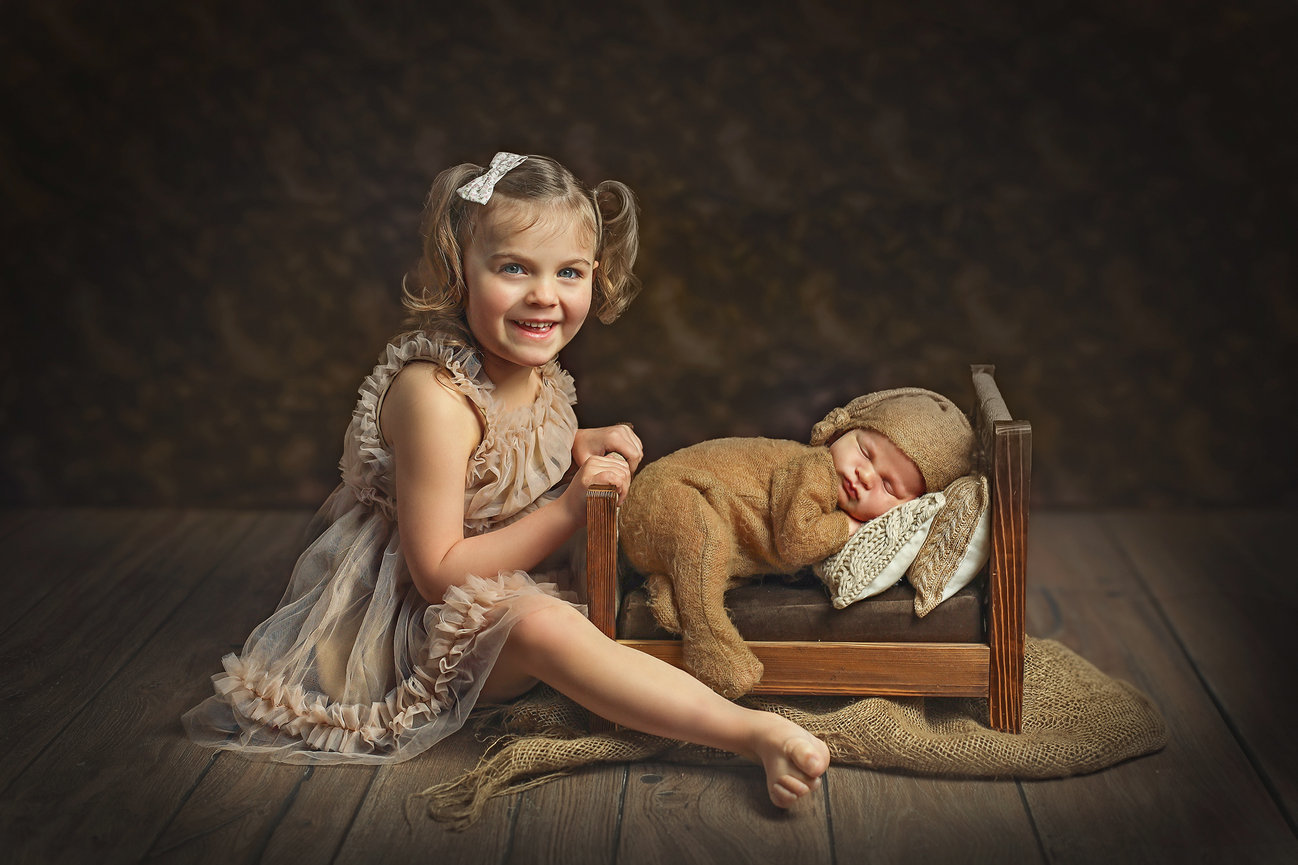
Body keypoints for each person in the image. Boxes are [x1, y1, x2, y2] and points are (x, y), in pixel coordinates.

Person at [183, 152, 829, 809]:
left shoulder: (539, 369)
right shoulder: (434, 396)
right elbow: (439, 572)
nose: (544, 294)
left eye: (568, 272)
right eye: (514, 267)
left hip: (499, 570)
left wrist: (577, 443)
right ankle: (750, 733)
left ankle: (658, 680)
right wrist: (570, 506)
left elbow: (506, 458)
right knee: (542, 628)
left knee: (623, 584)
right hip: (417, 619)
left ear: (595, 278)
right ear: (459, 270)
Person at [620, 387, 975, 697]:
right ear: (842, 432)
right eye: (865, 453)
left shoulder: (838, 489)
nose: (863, 476)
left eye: (888, 486)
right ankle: (708, 643)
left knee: (713, 553)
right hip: (664, 497)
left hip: (666, 535)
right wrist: (845, 527)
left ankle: (673, 588)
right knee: (706, 538)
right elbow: (797, 542)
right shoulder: (814, 469)